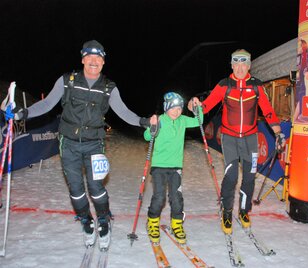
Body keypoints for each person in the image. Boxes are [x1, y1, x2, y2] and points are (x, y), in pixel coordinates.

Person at [12, 40, 152, 250]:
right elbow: (48, 103)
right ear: (83, 59)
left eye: (98, 58)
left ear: (103, 62)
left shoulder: (108, 87)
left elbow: (123, 112)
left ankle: (103, 222)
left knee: (96, 188)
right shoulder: (67, 81)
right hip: (68, 144)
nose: (94, 61)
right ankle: (87, 222)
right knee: (76, 191)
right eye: (90, 57)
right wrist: (24, 113)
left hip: (95, 145)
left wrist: (143, 121)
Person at [188, 49, 285, 234]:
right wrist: (194, 105)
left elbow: (268, 110)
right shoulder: (224, 85)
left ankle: (244, 210)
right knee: (231, 176)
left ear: (249, 65)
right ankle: (226, 211)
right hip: (230, 138)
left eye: (244, 64)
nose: (240, 68)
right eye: (236, 63)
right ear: (232, 65)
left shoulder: (256, 86)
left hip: (250, 139)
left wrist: (279, 133)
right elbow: (205, 105)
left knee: (249, 177)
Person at [145, 92, 203, 244]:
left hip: (176, 166)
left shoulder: (183, 120)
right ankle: (152, 223)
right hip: (159, 166)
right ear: (166, 107)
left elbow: (199, 121)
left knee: (176, 197)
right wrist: (152, 126)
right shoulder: (161, 120)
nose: (176, 111)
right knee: (159, 197)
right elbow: (147, 136)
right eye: (173, 108)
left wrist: (197, 108)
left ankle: (177, 224)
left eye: (179, 108)